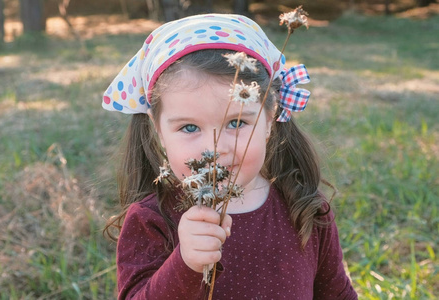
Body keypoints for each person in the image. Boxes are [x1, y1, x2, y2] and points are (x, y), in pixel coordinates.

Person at [102, 13, 358, 300]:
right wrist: (185, 264)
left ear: (269, 121)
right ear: (159, 131)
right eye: (189, 127)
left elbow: (336, 294)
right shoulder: (152, 220)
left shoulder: (305, 209)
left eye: (237, 123)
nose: (215, 148)